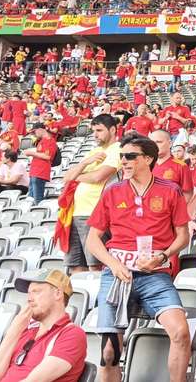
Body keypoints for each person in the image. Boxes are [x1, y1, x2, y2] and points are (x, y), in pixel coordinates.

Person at [86, 134, 191, 382]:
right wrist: (113, 264)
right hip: (116, 277)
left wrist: (163, 256)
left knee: (181, 332)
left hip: (155, 276)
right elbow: (92, 240)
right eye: (121, 156)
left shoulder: (170, 190)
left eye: (130, 156)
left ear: (148, 158)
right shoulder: (112, 191)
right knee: (109, 352)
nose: (123, 160)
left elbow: (183, 236)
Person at [0, 269, 87, 382]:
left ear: (58, 294)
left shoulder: (72, 334)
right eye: (29, 293)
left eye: (36, 291)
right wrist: (14, 331)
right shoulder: (24, 331)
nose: (29, 299)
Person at [61, 114, 121, 274]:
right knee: (75, 265)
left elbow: (97, 176)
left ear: (113, 130)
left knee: (95, 265)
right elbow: (66, 178)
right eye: (94, 131)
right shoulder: (93, 152)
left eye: (99, 130)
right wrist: (86, 162)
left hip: (94, 213)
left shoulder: (117, 149)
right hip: (75, 213)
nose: (95, 134)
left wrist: (77, 177)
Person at [149, 129, 194, 203]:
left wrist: (178, 210)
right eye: (152, 143)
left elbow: (188, 193)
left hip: (171, 212)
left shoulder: (181, 166)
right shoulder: (146, 165)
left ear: (170, 143)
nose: (155, 145)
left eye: (159, 142)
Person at [22, 123, 58, 205]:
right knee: (30, 200)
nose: (34, 134)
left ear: (40, 129)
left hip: (40, 172)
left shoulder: (49, 140)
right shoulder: (42, 140)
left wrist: (31, 153)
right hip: (35, 172)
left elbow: (47, 156)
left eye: (35, 132)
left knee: (37, 201)